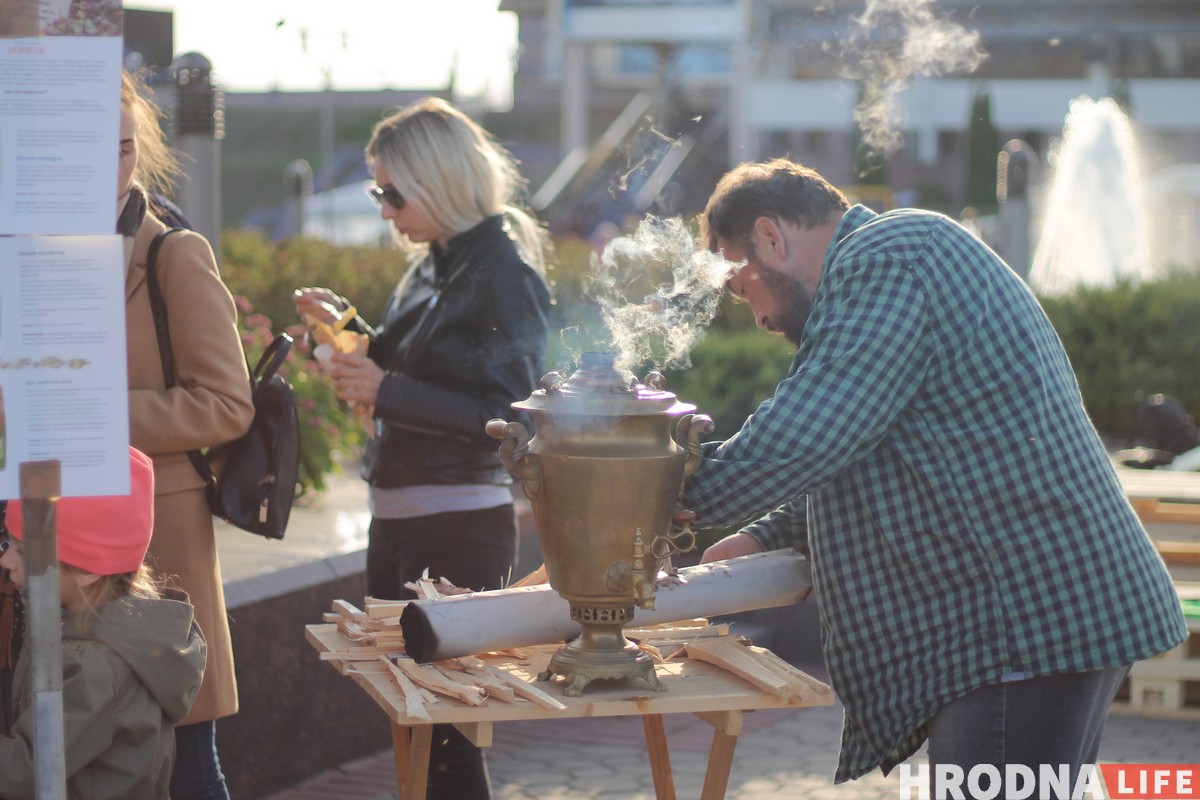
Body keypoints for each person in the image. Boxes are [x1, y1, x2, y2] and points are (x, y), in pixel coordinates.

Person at [682, 159, 1187, 794]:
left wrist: (653, 492)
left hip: (1021, 625)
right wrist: (762, 536)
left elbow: (814, 431)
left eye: (742, 285)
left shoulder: (892, 253)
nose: (756, 315)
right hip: (1033, 619)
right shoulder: (891, 261)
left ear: (771, 238)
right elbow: (872, 443)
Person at [293, 97, 552, 800]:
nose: (382, 207)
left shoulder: (502, 272)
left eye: (391, 192)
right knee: (414, 718)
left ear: (438, 183)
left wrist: (385, 388)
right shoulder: (436, 260)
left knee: (446, 729)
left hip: (459, 522)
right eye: (378, 190)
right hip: (405, 514)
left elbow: (512, 413)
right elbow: (417, 364)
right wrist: (346, 331)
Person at [120, 69, 254, 800]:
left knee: (186, 757)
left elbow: (225, 405)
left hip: (160, 540)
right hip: (51, 535)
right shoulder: (30, 259)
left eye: (120, 148)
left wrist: (94, 412)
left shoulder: (174, 251)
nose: (105, 167)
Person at [0, 446, 206, 799]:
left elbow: (26, 769)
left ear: (87, 570)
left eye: (22, 550)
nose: (5, 560)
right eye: (6, 543)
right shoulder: (111, 627)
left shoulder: (93, 666)